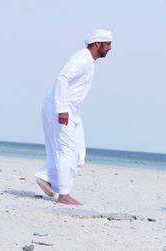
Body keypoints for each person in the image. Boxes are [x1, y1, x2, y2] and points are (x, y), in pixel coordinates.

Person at [35, 29, 113, 205]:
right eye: (108, 44)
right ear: (97, 44)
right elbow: (62, 78)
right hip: (61, 107)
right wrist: (62, 109)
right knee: (68, 150)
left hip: (67, 109)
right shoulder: (82, 59)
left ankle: (46, 177)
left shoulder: (88, 60)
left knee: (78, 152)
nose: (110, 48)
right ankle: (63, 194)